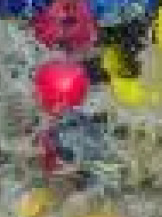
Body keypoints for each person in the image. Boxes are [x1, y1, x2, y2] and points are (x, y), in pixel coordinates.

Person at [31, 60, 122, 192]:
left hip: (93, 182)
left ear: (58, 102)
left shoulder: (66, 136)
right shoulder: (82, 117)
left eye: (38, 93)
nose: (33, 96)